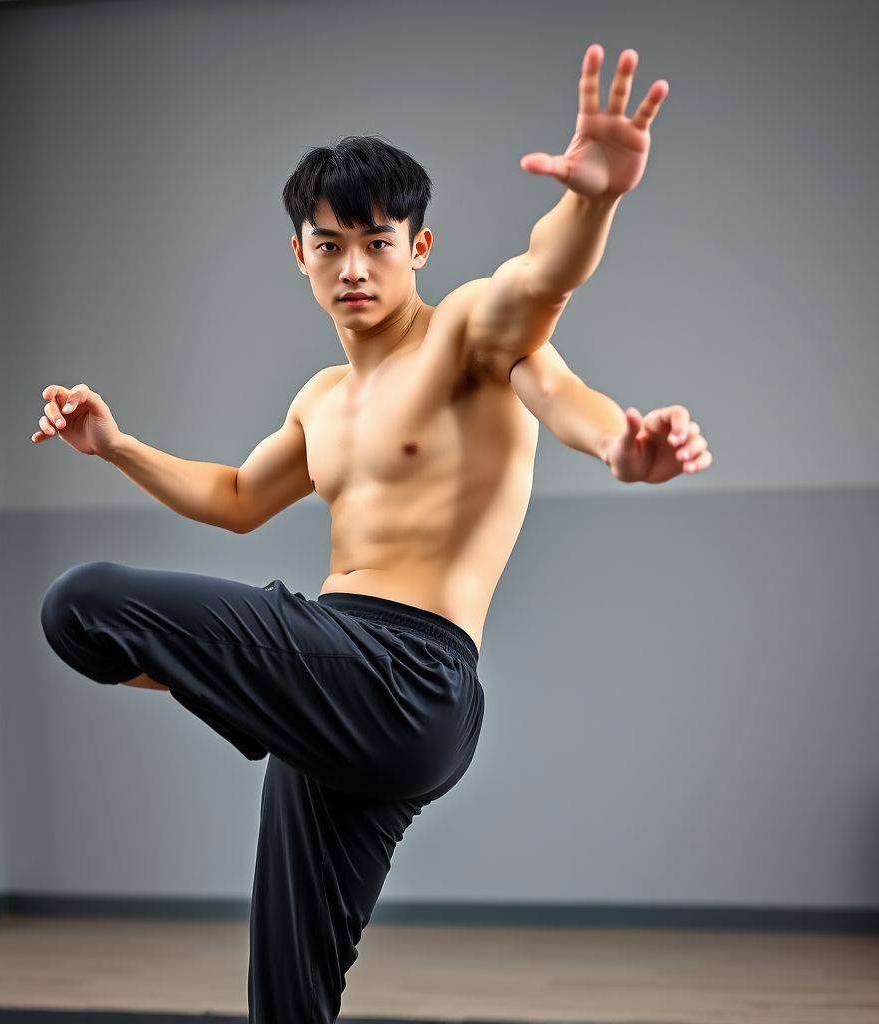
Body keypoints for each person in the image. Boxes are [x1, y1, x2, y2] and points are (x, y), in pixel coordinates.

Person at [35, 45, 711, 1024]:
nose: (353, 266)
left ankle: (228, 685)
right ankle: (244, 697)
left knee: (82, 600)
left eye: (378, 242)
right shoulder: (319, 401)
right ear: (300, 255)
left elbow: (548, 325)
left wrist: (595, 210)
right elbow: (233, 496)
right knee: (289, 993)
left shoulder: (469, 333)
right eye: (328, 244)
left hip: (410, 675)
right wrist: (115, 445)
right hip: (332, 698)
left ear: (418, 248)